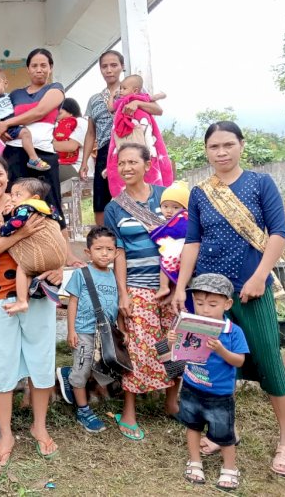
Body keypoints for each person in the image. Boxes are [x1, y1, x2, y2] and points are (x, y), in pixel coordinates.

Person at [172, 121, 285, 476]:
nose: (221, 153)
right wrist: (181, 287)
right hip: (207, 294)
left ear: (241, 145)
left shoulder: (260, 183)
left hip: (251, 289)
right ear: (206, 151)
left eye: (228, 145)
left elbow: (278, 233)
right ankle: (224, 430)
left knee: (268, 359)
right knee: (209, 361)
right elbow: (192, 241)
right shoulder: (200, 193)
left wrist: (258, 278)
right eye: (214, 147)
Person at [0, 155, 62, 470]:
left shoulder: (29, 203)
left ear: (8, 176)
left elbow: (53, 236)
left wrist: (58, 266)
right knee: (2, 365)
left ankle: (39, 425)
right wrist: (18, 235)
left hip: (37, 293)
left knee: (42, 359)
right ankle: (5, 434)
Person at [103, 143, 179, 440]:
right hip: (137, 285)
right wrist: (123, 293)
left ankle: (172, 401)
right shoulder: (114, 207)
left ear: (148, 164)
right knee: (137, 347)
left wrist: (178, 284)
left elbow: (183, 236)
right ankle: (130, 410)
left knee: (175, 343)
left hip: (172, 286)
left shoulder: (166, 196)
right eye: (121, 163)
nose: (126, 168)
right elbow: (118, 251)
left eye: (133, 162)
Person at [0, 48, 82, 267]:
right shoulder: (14, 94)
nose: (39, 69)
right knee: (13, 200)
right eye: (34, 65)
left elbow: (40, 112)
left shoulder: (56, 89)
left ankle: (67, 254)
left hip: (43, 152)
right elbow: (1, 118)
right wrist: (2, 128)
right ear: (28, 68)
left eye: (44, 65)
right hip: (14, 151)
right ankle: (11, 251)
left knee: (51, 201)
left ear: (50, 68)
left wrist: (8, 123)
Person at [168, 273, 248, 491]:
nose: (204, 309)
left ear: (227, 303)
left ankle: (230, 468)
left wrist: (221, 350)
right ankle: (195, 461)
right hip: (192, 387)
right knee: (192, 427)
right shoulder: (190, 324)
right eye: (200, 303)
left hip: (220, 394)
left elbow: (239, 361)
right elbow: (178, 354)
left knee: (225, 433)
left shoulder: (233, 331)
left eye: (213, 304)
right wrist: (172, 341)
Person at [80, 51, 164, 226]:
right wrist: (83, 162)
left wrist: (137, 103)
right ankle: (106, 240)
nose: (109, 70)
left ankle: (147, 232)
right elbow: (90, 133)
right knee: (101, 200)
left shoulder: (135, 89)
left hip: (136, 149)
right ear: (100, 69)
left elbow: (158, 110)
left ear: (122, 67)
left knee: (141, 193)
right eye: (104, 66)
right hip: (106, 151)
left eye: (114, 65)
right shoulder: (95, 99)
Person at [57, 226, 119, 433]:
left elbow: (116, 305)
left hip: (106, 335)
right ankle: (83, 410)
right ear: (88, 252)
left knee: (103, 369)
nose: (104, 253)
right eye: (99, 248)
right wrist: (71, 331)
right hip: (84, 331)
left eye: (109, 250)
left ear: (116, 253)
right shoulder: (81, 274)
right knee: (83, 371)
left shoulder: (115, 276)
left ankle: (69, 374)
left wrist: (121, 329)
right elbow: (72, 302)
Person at [0, 178, 66, 314]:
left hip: (42, 256)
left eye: (18, 195)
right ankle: (40, 280)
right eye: (12, 195)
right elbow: (58, 221)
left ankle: (22, 301)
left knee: (24, 269)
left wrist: (4, 226)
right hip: (59, 257)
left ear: (34, 197)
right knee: (33, 268)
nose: (13, 198)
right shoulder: (48, 208)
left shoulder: (25, 207)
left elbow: (17, 223)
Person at [105, 74, 172, 197]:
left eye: (124, 88)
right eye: (121, 88)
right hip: (124, 137)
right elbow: (111, 107)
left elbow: (157, 106)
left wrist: (138, 102)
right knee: (123, 158)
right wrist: (111, 96)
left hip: (143, 134)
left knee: (147, 160)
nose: (121, 91)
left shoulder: (140, 97)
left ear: (135, 90)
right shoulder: (120, 101)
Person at [0, 69, 49, 171]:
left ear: (5, 83)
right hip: (3, 125)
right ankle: (34, 159)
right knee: (25, 133)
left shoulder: (9, 96)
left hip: (11, 123)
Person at [149, 181, 190, 300]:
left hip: (181, 254)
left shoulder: (183, 219)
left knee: (166, 258)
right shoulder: (173, 221)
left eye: (175, 207)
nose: (169, 211)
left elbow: (170, 233)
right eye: (165, 206)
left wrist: (156, 231)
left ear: (184, 208)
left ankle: (163, 286)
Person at [53, 97, 88, 183]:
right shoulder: (59, 126)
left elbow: (71, 146)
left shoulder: (80, 122)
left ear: (71, 112)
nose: (57, 117)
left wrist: (46, 143)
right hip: (64, 165)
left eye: (59, 113)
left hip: (76, 168)